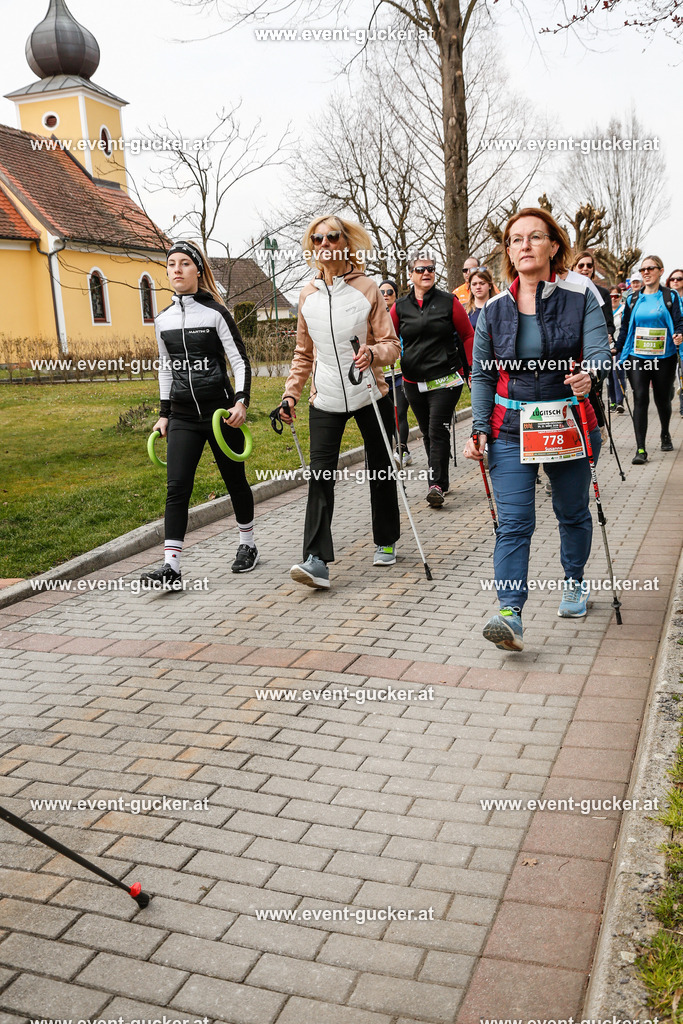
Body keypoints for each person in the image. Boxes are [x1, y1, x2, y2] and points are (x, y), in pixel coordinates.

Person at [464, 207, 611, 651]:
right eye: (515, 239)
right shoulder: (493, 310)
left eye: (534, 237)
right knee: (513, 522)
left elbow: (600, 353)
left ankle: (574, 581)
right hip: (510, 428)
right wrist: (479, 427)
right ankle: (509, 612)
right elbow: (484, 375)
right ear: (508, 252)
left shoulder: (580, 295)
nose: (524, 245)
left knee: (571, 512)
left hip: (566, 423)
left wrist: (591, 376)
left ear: (553, 245)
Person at [281, 215, 401, 589]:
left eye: (332, 237)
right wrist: (290, 394)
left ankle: (385, 539)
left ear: (346, 242)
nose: (324, 244)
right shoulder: (307, 295)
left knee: (380, 470)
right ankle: (316, 559)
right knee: (320, 476)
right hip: (327, 397)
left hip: (369, 393)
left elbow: (392, 345)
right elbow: (303, 354)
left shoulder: (367, 289)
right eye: (317, 238)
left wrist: (373, 354)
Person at [141, 240, 257, 589]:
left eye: (184, 264)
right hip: (182, 416)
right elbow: (165, 368)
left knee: (234, 480)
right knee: (177, 487)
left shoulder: (216, 314)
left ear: (198, 270)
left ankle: (248, 545)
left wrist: (240, 402)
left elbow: (240, 361)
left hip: (220, 413)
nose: (176, 269)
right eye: (171, 264)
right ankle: (171, 569)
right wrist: (163, 414)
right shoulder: (162, 320)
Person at [391, 254, 474, 507]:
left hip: (446, 377)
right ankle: (442, 479)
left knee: (437, 429)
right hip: (413, 381)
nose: (426, 272)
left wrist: (472, 371)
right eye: (420, 269)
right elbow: (389, 339)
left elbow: (468, 335)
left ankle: (435, 484)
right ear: (410, 275)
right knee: (428, 431)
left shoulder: (449, 302)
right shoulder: (400, 307)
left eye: (430, 269)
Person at [617, 255, 683, 463]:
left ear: (661, 271)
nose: (646, 272)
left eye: (650, 268)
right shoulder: (633, 299)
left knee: (662, 399)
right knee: (640, 398)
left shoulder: (670, 296)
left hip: (664, 356)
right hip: (638, 356)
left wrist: (679, 333)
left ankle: (664, 432)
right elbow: (626, 328)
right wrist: (616, 349)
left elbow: (679, 322)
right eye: (643, 269)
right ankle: (641, 450)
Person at [379, 279, 412, 466]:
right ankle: (400, 449)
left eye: (389, 292)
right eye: (381, 291)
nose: (385, 295)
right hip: (381, 375)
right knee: (388, 415)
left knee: (400, 413)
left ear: (396, 295)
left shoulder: (402, 314)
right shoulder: (373, 316)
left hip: (400, 373)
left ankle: (401, 450)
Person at [608, 286, 626, 413]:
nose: (613, 299)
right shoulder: (604, 311)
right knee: (608, 375)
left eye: (616, 296)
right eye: (611, 296)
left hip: (619, 346)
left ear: (620, 297)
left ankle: (620, 401)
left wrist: (618, 344)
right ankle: (612, 401)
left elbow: (625, 328)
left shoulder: (624, 309)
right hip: (606, 347)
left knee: (618, 374)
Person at [668, 271, 683, 416]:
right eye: (672, 278)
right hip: (671, 347)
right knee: (672, 378)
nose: (675, 281)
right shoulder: (667, 298)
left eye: (679, 278)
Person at [466, 267, 496, 334]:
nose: (478, 287)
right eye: (474, 284)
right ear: (470, 287)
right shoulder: (464, 310)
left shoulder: (499, 308)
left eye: (482, 283)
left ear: (490, 285)